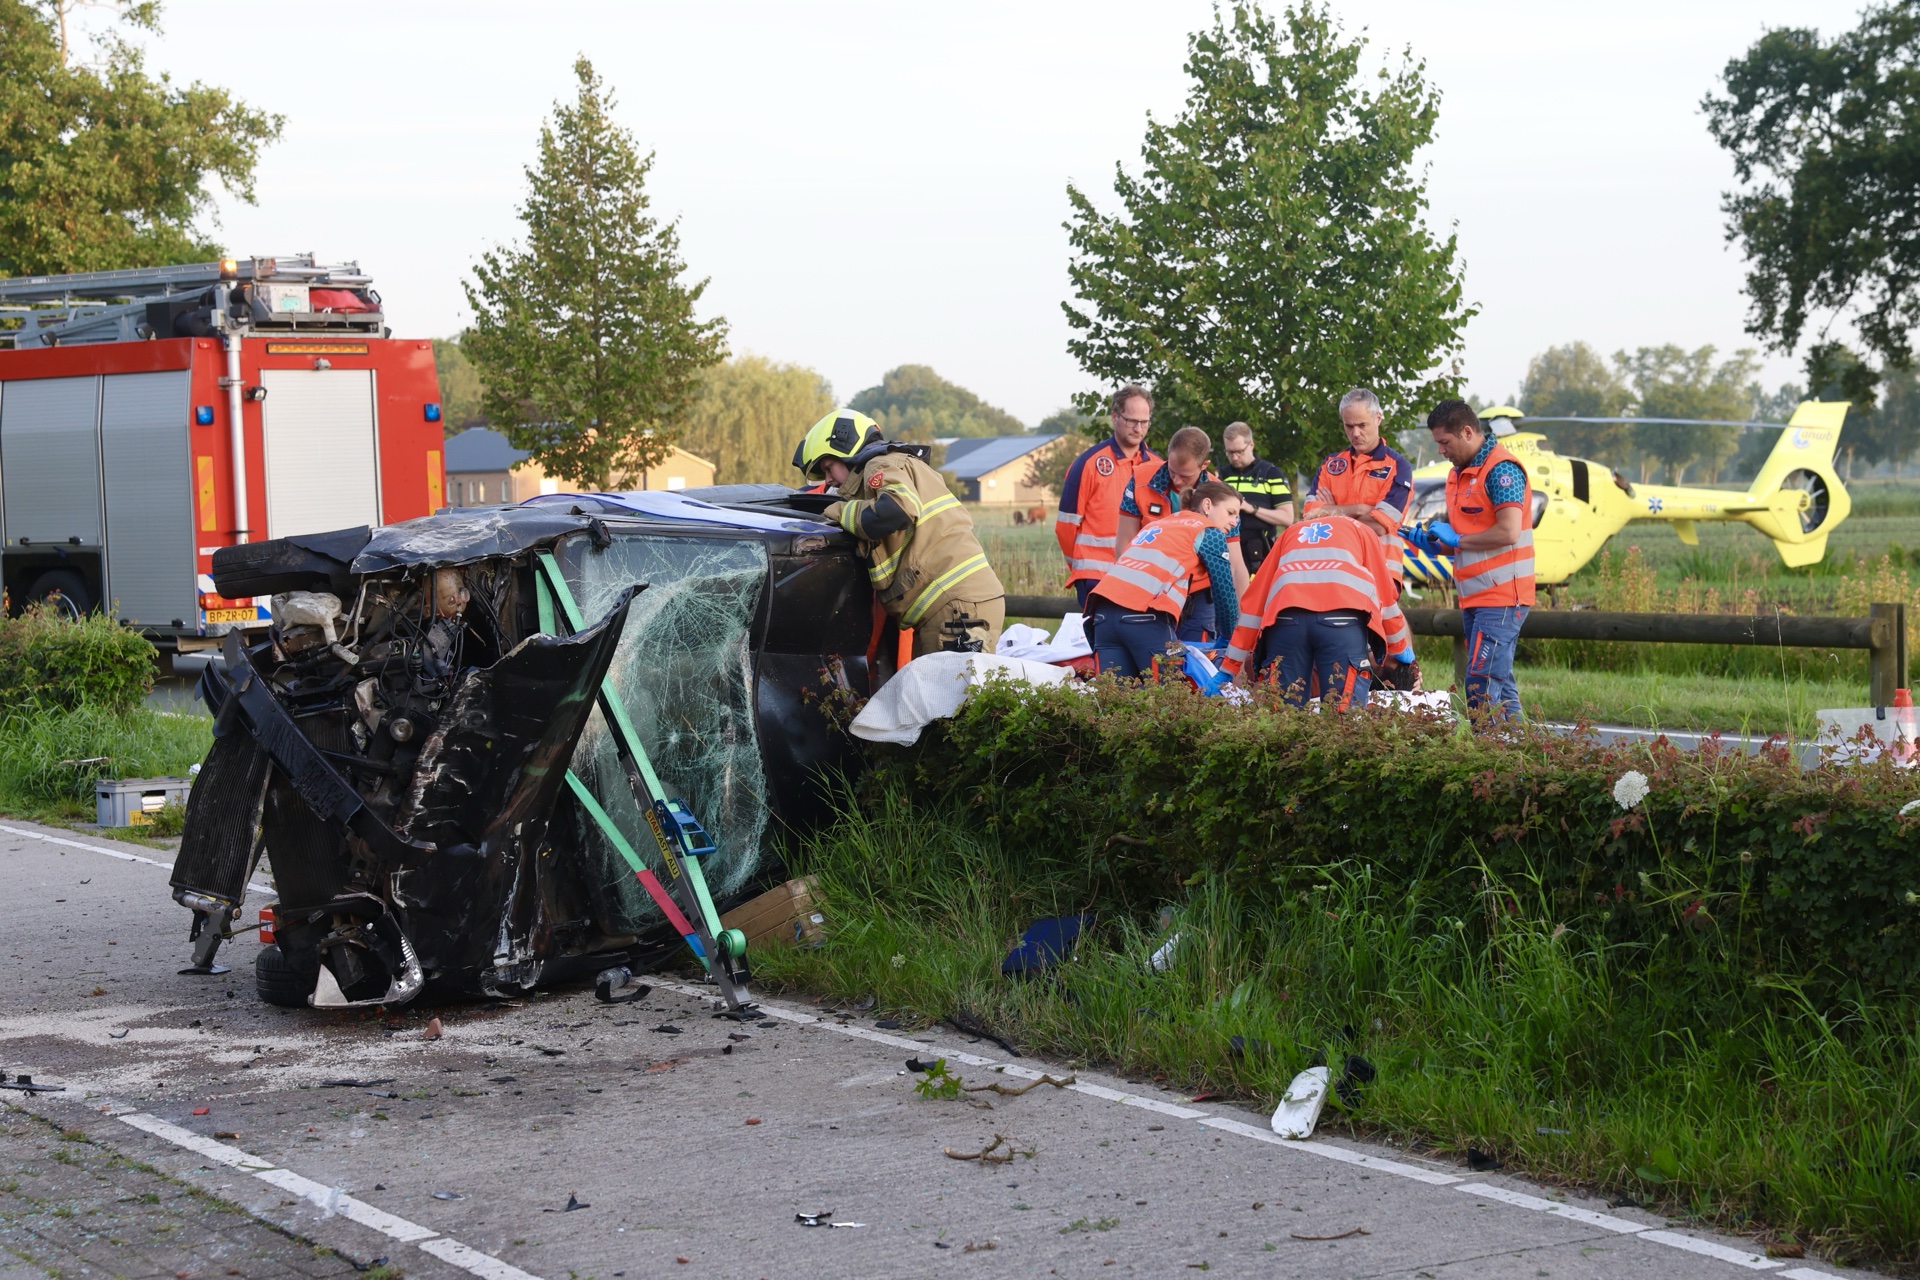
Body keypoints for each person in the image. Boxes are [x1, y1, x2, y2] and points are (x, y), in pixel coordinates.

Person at [794, 408, 1006, 656]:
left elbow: (896, 510)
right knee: (934, 682)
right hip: (953, 608)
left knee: (951, 683)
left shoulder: (880, 464)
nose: (828, 480)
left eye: (829, 467)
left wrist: (840, 511)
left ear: (847, 451)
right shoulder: (901, 464)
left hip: (955, 610)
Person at [1406, 398, 1535, 721]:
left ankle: (1485, 750)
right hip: (1475, 597)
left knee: (1480, 684)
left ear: (1466, 432)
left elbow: (1508, 532)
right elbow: (1469, 539)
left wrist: (1457, 540)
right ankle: (1518, 747)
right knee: (1500, 686)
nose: (1440, 451)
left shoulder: (1502, 469)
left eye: (1444, 442)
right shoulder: (1458, 475)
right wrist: (1434, 545)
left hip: (1502, 597)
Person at [1222, 514, 1412, 709]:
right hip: (1342, 622)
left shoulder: (1290, 533)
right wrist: (1400, 648)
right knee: (1343, 717)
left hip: (1285, 620)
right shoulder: (1363, 531)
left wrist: (1229, 666)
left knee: (1285, 715)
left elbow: (1254, 606)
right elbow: (1385, 599)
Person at [1085, 481, 1242, 678]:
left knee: (1115, 695)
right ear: (1207, 505)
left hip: (1102, 616)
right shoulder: (1208, 531)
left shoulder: (1160, 524)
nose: (1234, 522)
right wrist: (1228, 635)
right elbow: (1224, 591)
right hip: (1143, 616)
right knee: (1169, 693)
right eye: (1230, 513)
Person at [1115, 426, 1248, 642]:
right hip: (1149, 592)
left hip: (1197, 597)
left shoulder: (1222, 499)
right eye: (1172, 470)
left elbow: (1235, 565)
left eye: (1185, 476)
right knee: (1153, 658)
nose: (1176, 480)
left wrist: (1244, 623)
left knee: (1196, 657)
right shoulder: (1140, 480)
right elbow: (1124, 545)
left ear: (1204, 465)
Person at [1055, 385, 1164, 610]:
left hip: (1144, 578)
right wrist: (1079, 568)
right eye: (1131, 421)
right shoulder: (1088, 463)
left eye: (1144, 422)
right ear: (1115, 417)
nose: (1138, 428)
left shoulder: (1158, 467)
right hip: (1096, 577)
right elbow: (1066, 525)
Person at [1303, 388, 1413, 587]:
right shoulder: (1331, 465)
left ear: (1378, 418)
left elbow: (1380, 525)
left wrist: (1332, 512)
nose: (1355, 433)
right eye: (1349, 426)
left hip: (1380, 571)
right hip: (1334, 569)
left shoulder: (1397, 467)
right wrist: (1361, 509)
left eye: (1362, 425)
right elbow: (1310, 516)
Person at [1217, 421, 1293, 574]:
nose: (1235, 457)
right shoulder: (1221, 476)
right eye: (1229, 452)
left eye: (1239, 451)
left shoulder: (1271, 474)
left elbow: (1287, 518)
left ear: (1251, 444)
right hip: (1225, 552)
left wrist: (1251, 509)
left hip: (1259, 554)